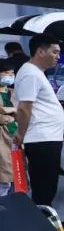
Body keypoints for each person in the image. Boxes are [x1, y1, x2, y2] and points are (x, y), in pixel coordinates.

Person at [13, 34, 64, 205]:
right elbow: (24, 107)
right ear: (40, 51)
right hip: (41, 138)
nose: (58, 56)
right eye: (54, 52)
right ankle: (42, 217)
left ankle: (44, 215)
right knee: (44, 187)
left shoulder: (36, 73)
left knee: (48, 186)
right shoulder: (31, 74)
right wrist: (20, 134)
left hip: (47, 137)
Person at [0, 60, 17, 195]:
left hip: (15, 135)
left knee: (16, 171)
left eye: (12, 73)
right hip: (2, 137)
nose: (10, 76)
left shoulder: (13, 92)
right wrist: (10, 116)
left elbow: (22, 111)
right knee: (4, 173)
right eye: (6, 72)